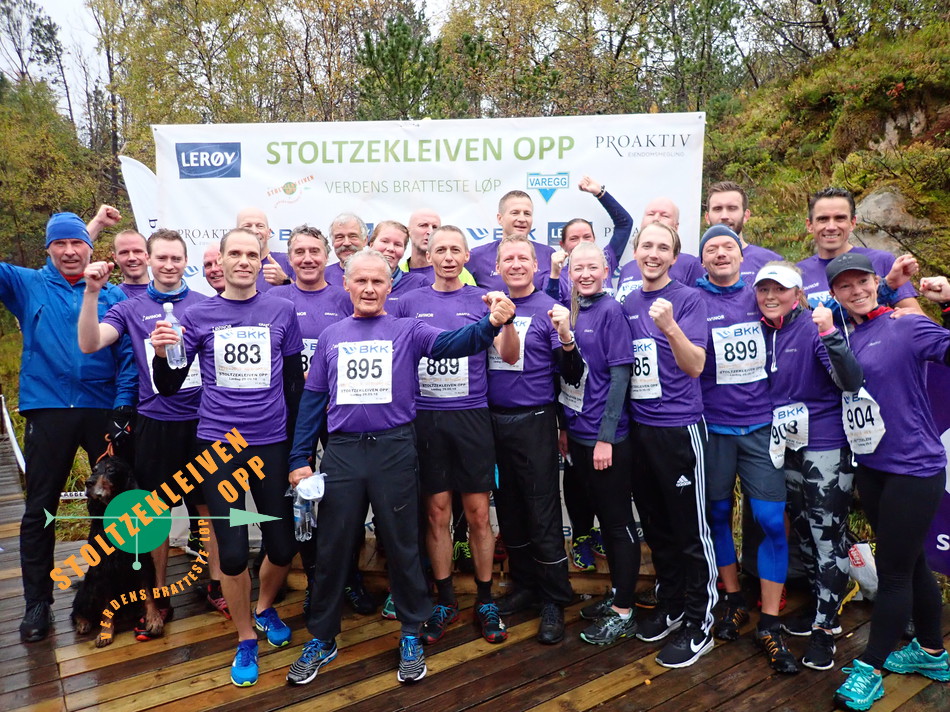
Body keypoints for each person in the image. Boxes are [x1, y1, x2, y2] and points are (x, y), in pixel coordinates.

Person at [284, 248, 516, 685]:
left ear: (390, 287)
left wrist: (491, 324)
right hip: (343, 452)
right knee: (333, 547)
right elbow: (313, 402)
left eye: (378, 281)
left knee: (403, 545)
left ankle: (411, 632)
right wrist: (299, 459)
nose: (370, 289)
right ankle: (323, 636)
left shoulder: (408, 329)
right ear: (346, 285)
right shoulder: (332, 336)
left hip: (394, 448)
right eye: (361, 281)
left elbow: (454, 344)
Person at [149, 228, 304, 687]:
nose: (243, 260)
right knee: (233, 555)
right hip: (220, 447)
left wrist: (299, 449)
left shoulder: (281, 310)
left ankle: (264, 608)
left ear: (261, 259)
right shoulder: (198, 315)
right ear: (219, 260)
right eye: (234, 253)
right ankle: (244, 637)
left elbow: (294, 384)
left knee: (282, 546)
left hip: (271, 444)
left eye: (251, 254)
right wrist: (161, 353)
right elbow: (170, 385)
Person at [78, 228, 228, 629]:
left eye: (176, 258)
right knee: (155, 516)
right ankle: (157, 594)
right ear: (148, 260)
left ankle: (216, 585)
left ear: (185, 262)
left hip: (203, 423)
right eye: (161, 257)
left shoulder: (205, 304)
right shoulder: (130, 307)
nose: (169, 265)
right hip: (156, 424)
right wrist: (91, 293)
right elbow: (90, 343)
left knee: (209, 509)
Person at [1, 211, 137, 643]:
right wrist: (89, 226)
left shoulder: (111, 293)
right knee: (40, 508)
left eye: (77, 243)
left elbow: (128, 356)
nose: (69, 251)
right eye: (59, 244)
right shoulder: (27, 284)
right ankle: (37, 602)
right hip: (48, 410)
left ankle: (118, 592)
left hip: (101, 410)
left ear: (90, 248)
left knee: (117, 508)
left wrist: (122, 405)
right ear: (47, 249)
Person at [825, 253, 950, 711]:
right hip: (873, 468)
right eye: (845, 285)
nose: (856, 290)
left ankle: (870, 668)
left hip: (914, 468)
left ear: (875, 282)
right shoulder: (849, 335)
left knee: (893, 572)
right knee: (911, 563)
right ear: (835, 294)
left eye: (862, 281)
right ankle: (932, 651)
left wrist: (949, 303)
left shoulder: (906, 325)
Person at [391, 225, 519, 645]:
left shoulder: (483, 298)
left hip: (471, 418)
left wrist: (506, 320)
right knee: (436, 513)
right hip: (426, 419)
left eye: (455, 250)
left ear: (467, 257)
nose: (447, 257)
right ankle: (445, 599)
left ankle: (485, 599)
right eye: (440, 250)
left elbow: (509, 356)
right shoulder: (408, 302)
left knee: (479, 514)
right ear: (427, 255)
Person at [694, 226, 796, 674]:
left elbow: (807, 307)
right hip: (713, 428)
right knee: (717, 514)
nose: (720, 253)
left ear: (741, 254)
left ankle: (770, 622)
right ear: (702, 259)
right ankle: (733, 599)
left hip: (760, 427)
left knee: (770, 519)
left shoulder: (762, 294)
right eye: (711, 248)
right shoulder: (691, 299)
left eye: (728, 247)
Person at [753, 260, 864, 672]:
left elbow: (850, 380)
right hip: (787, 446)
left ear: (797, 294)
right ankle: (823, 610)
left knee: (826, 537)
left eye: (779, 289)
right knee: (802, 533)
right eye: (763, 289)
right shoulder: (762, 331)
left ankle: (825, 630)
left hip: (826, 445)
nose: (770, 296)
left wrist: (830, 334)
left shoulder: (814, 327)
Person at [621, 221, 718, 669]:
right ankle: (673, 604)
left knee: (690, 532)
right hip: (640, 429)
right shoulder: (627, 302)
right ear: (636, 252)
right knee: (657, 529)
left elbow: (696, 365)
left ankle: (701, 624)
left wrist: (671, 327)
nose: (654, 253)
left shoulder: (688, 299)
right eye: (647, 245)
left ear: (674, 258)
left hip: (680, 429)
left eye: (663, 247)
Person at [270, 225, 372, 615]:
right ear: (289, 258)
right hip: (290, 414)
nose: (308, 258)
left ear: (327, 256)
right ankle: (316, 580)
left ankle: (351, 577)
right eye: (299, 252)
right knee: (299, 497)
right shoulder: (276, 299)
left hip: (339, 412)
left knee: (346, 499)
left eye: (315, 251)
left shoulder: (344, 296)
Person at [487, 235, 576, 645]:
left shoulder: (549, 308)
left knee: (542, 511)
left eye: (523, 258)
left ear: (536, 264)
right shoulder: (488, 306)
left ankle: (554, 597)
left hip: (536, 419)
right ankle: (525, 585)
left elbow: (569, 372)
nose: (516, 264)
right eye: (508, 258)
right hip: (493, 421)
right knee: (509, 509)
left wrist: (563, 425)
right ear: (498, 266)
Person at [556, 242, 638, 646]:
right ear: (569, 273)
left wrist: (606, 438)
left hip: (607, 439)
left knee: (618, 523)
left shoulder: (610, 311)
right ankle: (617, 595)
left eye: (593, 267)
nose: (585, 274)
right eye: (578, 268)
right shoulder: (573, 311)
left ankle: (624, 611)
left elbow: (620, 377)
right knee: (604, 520)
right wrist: (565, 428)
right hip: (579, 433)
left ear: (606, 271)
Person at [796, 187, 921, 323]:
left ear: (852, 223)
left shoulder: (881, 261)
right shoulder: (797, 274)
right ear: (809, 225)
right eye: (823, 219)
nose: (831, 227)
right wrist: (887, 285)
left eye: (840, 218)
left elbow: (918, 320)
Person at [546, 175, 634, 305]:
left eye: (587, 237)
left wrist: (600, 193)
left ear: (594, 239)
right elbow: (549, 307)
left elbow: (625, 224)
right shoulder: (559, 276)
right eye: (574, 238)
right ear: (562, 245)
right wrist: (554, 276)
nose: (582, 242)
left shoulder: (606, 259)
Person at [614, 198, 704, 304]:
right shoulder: (627, 269)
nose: (656, 219)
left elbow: (702, 304)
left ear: (676, 227)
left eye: (665, 215)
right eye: (651, 214)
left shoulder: (690, 264)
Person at [467, 191, 555, 291]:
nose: (522, 219)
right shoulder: (476, 256)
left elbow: (554, 296)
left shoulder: (548, 255)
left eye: (527, 214)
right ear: (500, 218)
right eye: (515, 213)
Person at [704, 181, 783, 282]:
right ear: (707, 217)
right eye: (717, 209)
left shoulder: (770, 262)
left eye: (732, 208)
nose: (724, 216)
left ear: (746, 216)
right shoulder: (693, 267)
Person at [401, 209, 477, 286]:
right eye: (423, 225)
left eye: (435, 227)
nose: (430, 232)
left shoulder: (460, 274)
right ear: (408, 231)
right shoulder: (397, 273)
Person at [367, 221, 430, 304]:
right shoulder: (354, 281)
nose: (391, 248)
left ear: (404, 250)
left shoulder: (418, 283)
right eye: (385, 241)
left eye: (397, 244)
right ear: (371, 245)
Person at [236, 207, 293, 291]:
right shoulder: (230, 265)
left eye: (260, 226)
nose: (254, 231)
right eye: (247, 226)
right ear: (236, 233)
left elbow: (306, 296)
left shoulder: (288, 260)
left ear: (269, 233)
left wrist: (285, 281)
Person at [324, 213, 368, 285]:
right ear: (332, 242)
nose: (346, 243)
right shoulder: (322, 276)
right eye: (339, 237)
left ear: (365, 240)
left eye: (353, 236)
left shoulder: (379, 273)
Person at [111, 229, 150, 298]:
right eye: (124, 252)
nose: (132, 258)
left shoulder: (166, 293)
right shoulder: (111, 298)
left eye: (137, 251)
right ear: (115, 257)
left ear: (148, 255)